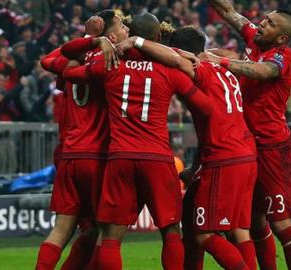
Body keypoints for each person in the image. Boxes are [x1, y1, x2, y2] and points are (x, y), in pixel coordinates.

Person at [63, 13, 213, 270]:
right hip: (157, 158)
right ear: (157, 39)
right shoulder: (169, 71)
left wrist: (88, 46)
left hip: (120, 158)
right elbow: (207, 108)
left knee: (111, 237)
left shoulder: (111, 65)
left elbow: (68, 71)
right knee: (171, 232)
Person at [115, 26, 257, 270]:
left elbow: (177, 60)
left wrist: (137, 41)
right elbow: (209, 124)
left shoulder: (198, 69)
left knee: (204, 234)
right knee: (232, 230)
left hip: (224, 157)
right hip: (244, 154)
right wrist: (196, 165)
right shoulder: (223, 68)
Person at [204, 1, 291, 269]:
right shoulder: (254, 38)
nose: (262, 23)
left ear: (282, 37)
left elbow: (263, 71)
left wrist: (221, 60)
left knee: (280, 223)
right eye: (265, 19)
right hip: (245, 146)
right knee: (253, 219)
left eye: (270, 23)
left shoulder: (283, 56)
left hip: (272, 147)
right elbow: (228, 12)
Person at [35, 11, 127, 270]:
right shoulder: (110, 60)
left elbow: (47, 59)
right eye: (121, 25)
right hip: (97, 155)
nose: (125, 29)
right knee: (105, 232)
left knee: (61, 230)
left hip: (68, 153)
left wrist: (88, 38)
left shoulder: (69, 64)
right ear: (109, 34)